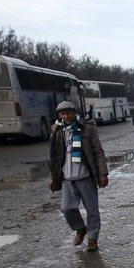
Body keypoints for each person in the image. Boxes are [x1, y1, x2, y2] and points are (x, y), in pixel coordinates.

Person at [49, 101, 109, 252]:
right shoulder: (57, 131)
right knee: (67, 208)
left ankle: (92, 239)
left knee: (92, 210)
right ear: (60, 115)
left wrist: (103, 173)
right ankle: (80, 229)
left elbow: (98, 152)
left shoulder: (87, 129)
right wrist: (53, 176)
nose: (66, 116)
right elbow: (54, 157)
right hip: (67, 178)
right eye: (63, 114)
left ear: (74, 113)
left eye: (69, 113)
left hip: (86, 176)